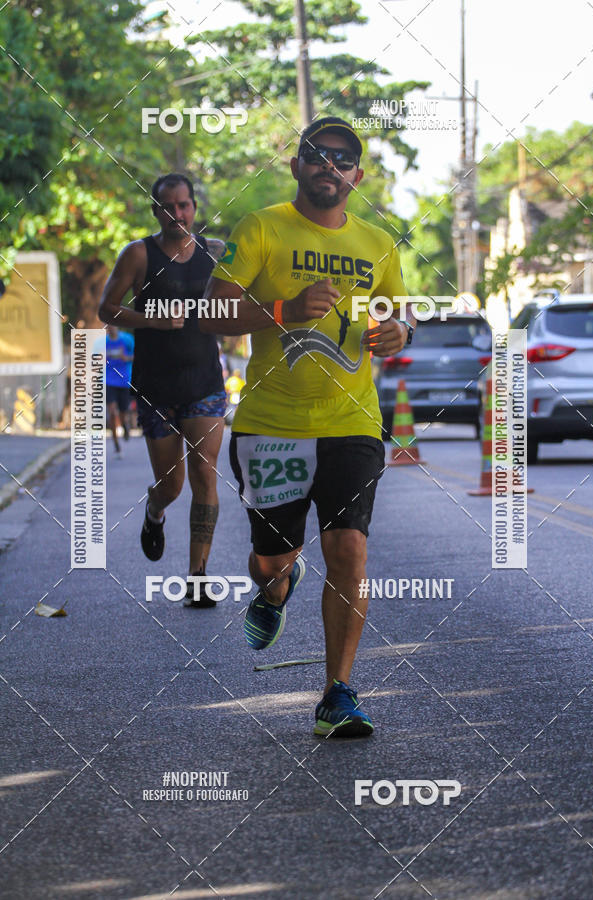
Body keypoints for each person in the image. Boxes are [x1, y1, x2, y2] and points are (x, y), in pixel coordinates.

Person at [203, 116, 414, 737]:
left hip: (352, 421)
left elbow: (396, 319)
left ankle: (337, 692)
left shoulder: (379, 242)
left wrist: (403, 333)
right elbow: (213, 311)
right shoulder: (263, 226)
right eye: (317, 154)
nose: (330, 165)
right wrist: (283, 310)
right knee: (273, 558)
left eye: (343, 157)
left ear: (358, 174)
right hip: (272, 425)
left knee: (348, 547)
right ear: (296, 165)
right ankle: (274, 588)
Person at [99, 173, 227, 608]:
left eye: (185, 205)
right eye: (169, 207)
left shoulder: (215, 254)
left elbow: (240, 298)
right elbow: (106, 308)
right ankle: (155, 512)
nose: (178, 214)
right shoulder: (138, 254)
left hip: (205, 382)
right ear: (157, 211)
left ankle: (198, 576)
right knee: (171, 485)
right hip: (155, 387)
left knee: (206, 473)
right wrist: (153, 320)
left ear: (195, 207)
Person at [105, 325, 134, 457]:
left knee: (123, 411)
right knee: (111, 412)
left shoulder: (127, 339)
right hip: (108, 381)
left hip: (124, 380)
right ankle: (116, 443)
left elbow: (138, 355)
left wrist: (126, 358)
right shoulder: (103, 342)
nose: (110, 327)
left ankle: (125, 425)